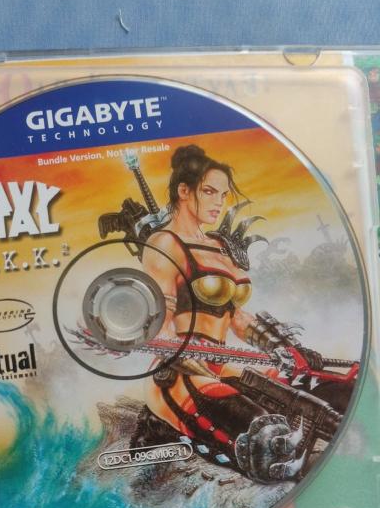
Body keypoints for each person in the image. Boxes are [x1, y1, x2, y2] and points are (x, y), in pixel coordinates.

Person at [137, 144, 320, 482]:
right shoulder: (164, 244)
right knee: (268, 438)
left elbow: (235, 316)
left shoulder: (220, 247)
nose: (219, 202)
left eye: (223, 194)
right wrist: (188, 356)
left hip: (224, 364)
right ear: (184, 191)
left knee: (319, 401)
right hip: (182, 373)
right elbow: (160, 327)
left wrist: (281, 346)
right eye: (209, 192)